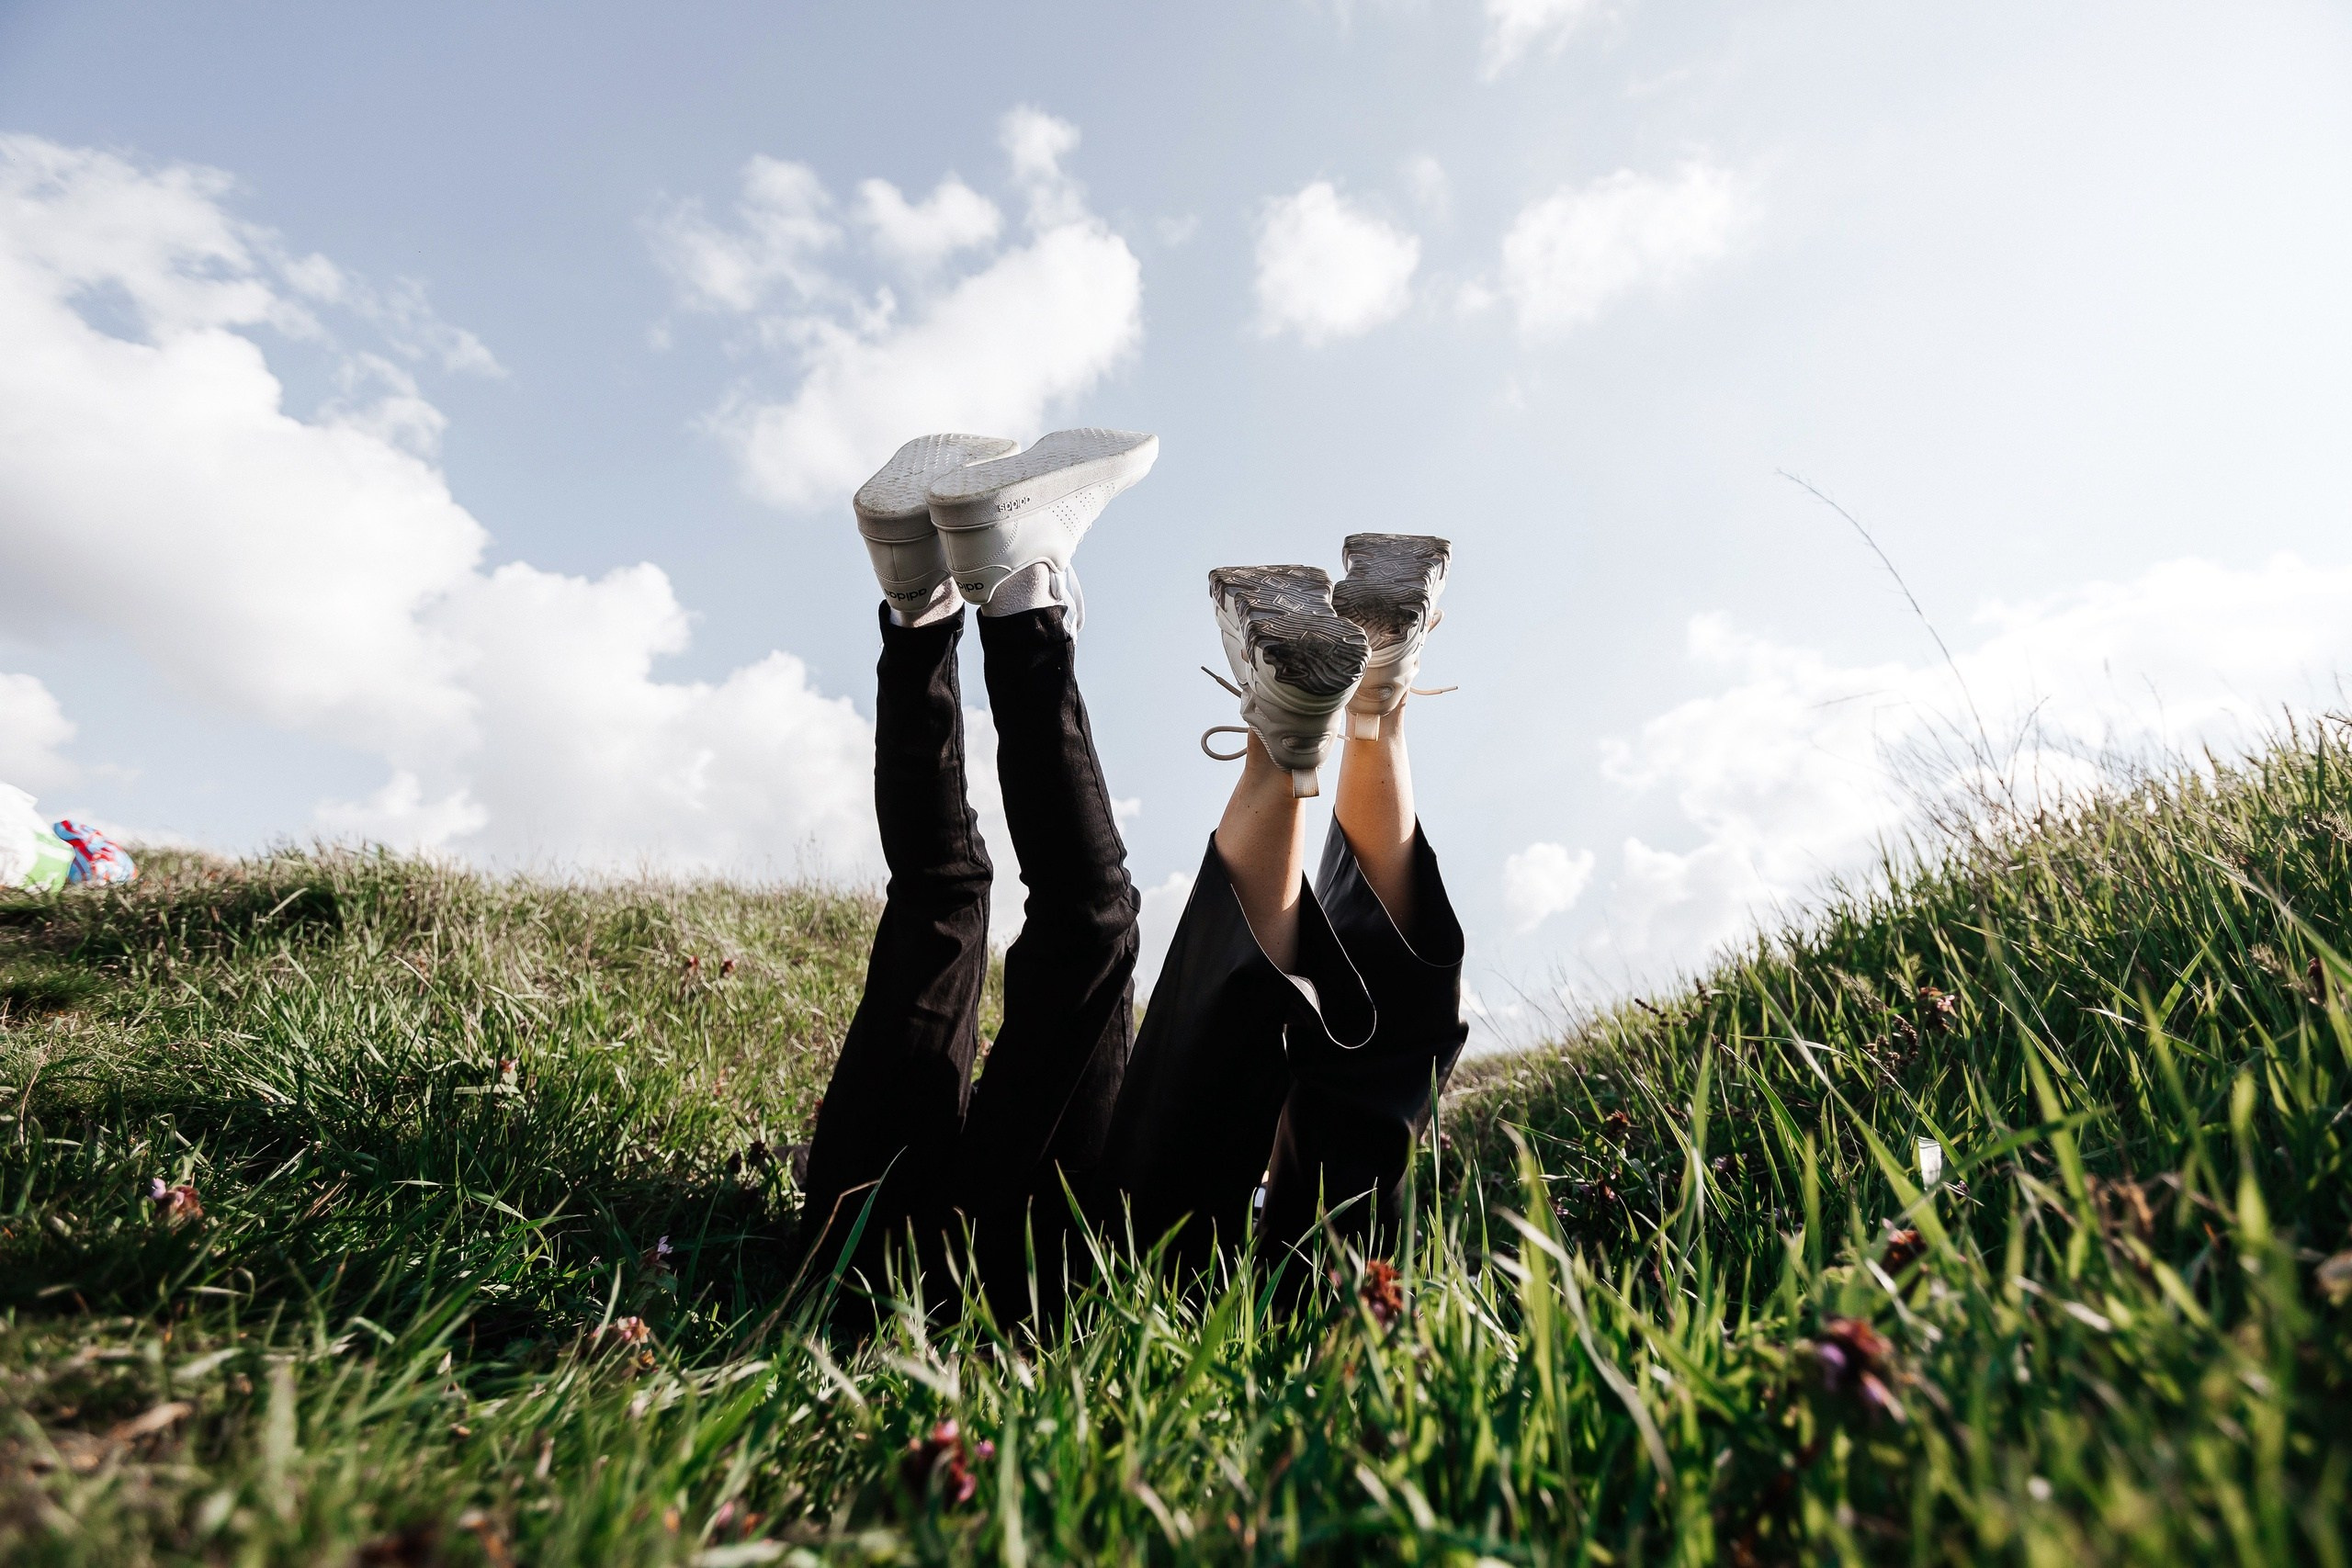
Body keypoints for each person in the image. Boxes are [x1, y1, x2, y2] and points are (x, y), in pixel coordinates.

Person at [790, 428, 1467, 1315]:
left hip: (1032, 1283)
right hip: (886, 1260)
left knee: (1339, 1102)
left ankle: (1330, 719)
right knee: (953, 905)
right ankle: (932, 601)